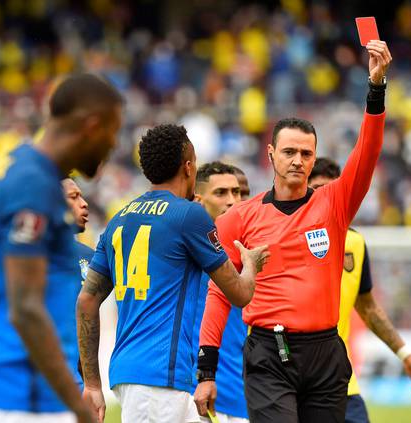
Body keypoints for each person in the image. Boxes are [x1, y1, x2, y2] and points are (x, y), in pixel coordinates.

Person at [195, 40, 392, 423]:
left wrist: (376, 88)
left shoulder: (333, 203)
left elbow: (367, 153)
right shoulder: (239, 218)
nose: (298, 161)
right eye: (289, 152)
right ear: (270, 154)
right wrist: (206, 371)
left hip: (325, 353)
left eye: (306, 154)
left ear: (314, 157)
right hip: (269, 352)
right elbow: (218, 294)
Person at [76, 124, 270, 423]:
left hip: (133, 372)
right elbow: (240, 293)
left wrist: (91, 383)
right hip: (160, 376)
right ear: (189, 166)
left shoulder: (120, 218)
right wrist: (252, 264)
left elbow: (87, 301)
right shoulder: (189, 215)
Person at [0, 73, 123, 423]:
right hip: (27, 394)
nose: (113, 145)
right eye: (112, 132)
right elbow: (25, 307)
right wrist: (75, 404)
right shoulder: (32, 183)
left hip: (18, 391)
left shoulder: (15, 167)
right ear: (91, 125)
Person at [308, 157, 411, 423]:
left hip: (343, 382)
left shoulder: (355, 243)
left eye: (333, 190)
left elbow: (367, 307)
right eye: (317, 190)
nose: (326, 198)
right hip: (296, 383)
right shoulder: (284, 238)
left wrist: (405, 355)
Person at [0, 178, 94, 347]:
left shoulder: (89, 257)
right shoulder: (9, 254)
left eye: (81, 196)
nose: (84, 203)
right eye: (74, 197)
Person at [192, 162, 250, 423]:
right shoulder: (183, 247)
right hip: (194, 386)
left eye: (237, 193)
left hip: (240, 388)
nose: (233, 201)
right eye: (221, 193)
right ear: (199, 200)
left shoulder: (251, 251)